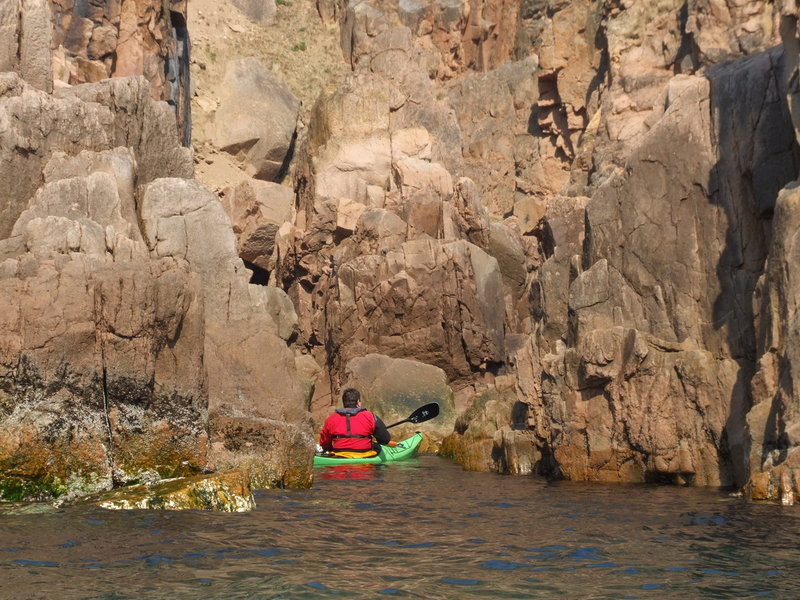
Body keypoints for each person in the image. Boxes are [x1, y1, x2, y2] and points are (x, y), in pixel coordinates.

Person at [318, 388, 390, 456]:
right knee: (377, 446)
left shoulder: (331, 419)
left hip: (339, 455)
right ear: (358, 402)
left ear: (344, 403)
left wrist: (330, 450)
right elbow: (385, 439)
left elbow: (324, 443)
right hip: (365, 456)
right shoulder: (370, 416)